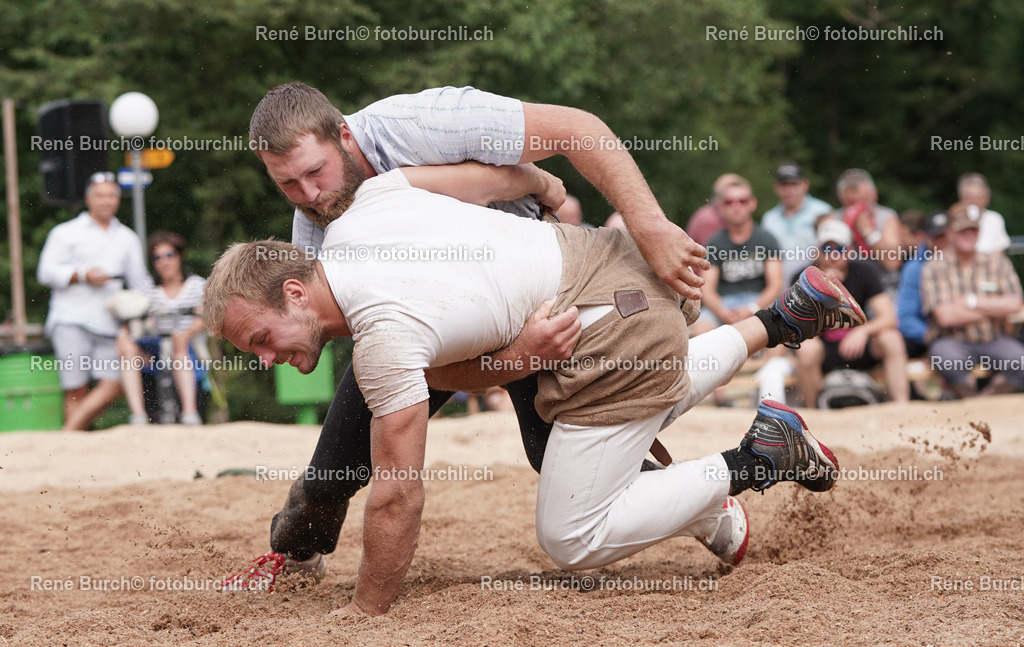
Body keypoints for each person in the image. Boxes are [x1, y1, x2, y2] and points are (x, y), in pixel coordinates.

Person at [204, 164, 867, 614]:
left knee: (571, 535)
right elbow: (489, 177)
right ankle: (785, 317)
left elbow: (397, 494)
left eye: (260, 339)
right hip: (616, 273)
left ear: (294, 292)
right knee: (636, 394)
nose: (264, 359)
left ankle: (760, 456)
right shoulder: (365, 206)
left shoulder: (380, 335)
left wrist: (365, 612)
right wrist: (546, 183)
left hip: (605, 326)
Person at [235, 82, 710, 586]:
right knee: (332, 471)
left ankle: (707, 503)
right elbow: (387, 352)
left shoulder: (423, 125)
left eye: (315, 171)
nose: (309, 195)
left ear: (345, 135)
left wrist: (649, 227)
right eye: (288, 184)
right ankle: (293, 555)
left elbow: (577, 130)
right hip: (429, 330)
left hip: (538, 303)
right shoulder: (314, 233)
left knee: (556, 454)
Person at [36, 172, 151, 430]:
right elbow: (45, 272)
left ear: (118, 199)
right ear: (88, 199)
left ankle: (67, 435)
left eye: (111, 195)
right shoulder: (65, 233)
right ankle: (76, 447)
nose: (106, 201)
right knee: (75, 387)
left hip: (109, 324)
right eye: (100, 195)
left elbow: (140, 284)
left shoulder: (127, 238)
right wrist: (81, 275)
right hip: (70, 318)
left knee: (114, 384)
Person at [793, 220, 910, 407]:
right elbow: (796, 323)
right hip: (824, 349)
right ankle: (813, 412)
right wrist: (824, 287)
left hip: (859, 346)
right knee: (807, 349)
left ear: (849, 250)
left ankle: (900, 407)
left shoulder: (864, 272)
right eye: (826, 249)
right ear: (817, 251)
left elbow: (889, 317)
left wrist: (863, 331)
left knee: (892, 339)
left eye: (838, 249)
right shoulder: (803, 276)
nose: (832, 256)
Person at [920, 202, 1024, 397]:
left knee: (1021, 361)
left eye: (974, 230)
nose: (969, 235)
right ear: (949, 233)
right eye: (962, 230)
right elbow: (944, 317)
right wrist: (995, 308)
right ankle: (969, 401)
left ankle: (984, 400)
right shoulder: (934, 267)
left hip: (995, 339)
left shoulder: (998, 262)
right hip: (952, 341)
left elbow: (1015, 303)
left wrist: (971, 302)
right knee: (947, 361)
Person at [116, 232, 207, 425]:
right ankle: (138, 415)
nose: (164, 262)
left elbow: (204, 319)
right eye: (157, 258)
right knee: (128, 352)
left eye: (169, 255)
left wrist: (185, 334)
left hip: (186, 349)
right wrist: (123, 336)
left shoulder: (197, 285)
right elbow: (128, 318)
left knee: (178, 346)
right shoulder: (146, 288)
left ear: (179, 256)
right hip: (154, 350)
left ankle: (190, 413)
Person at [692, 176, 783, 336]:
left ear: (752, 203)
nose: (736, 206)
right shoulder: (714, 243)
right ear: (720, 207)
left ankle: (772, 362)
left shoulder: (767, 238)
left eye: (742, 201)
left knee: (780, 327)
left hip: (759, 303)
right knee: (701, 330)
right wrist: (722, 312)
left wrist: (753, 309)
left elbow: (775, 285)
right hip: (724, 305)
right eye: (729, 202)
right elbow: (706, 288)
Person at [760, 162, 832, 284]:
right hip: (779, 290)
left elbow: (834, 252)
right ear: (776, 187)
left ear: (805, 184)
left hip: (815, 286)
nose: (789, 190)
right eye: (784, 185)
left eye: (794, 184)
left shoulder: (823, 211)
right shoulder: (768, 219)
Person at [831, 168, 902, 280]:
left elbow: (892, 263)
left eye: (863, 201)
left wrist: (869, 232)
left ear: (874, 195)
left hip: (883, 285)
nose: (857, 209)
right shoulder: (834, 219)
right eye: (851, 203)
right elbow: (826, 262)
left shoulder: (887, 217)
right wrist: (844, 231)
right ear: (842, 199)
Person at [897, 211, 948, 359]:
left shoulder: (968, 264)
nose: (942, 242)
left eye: (944, 236)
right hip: (927, 336)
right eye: (936, 237)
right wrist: (933, 336)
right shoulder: (914, 269)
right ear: (925, 238)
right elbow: (905, 318)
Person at [956, 173, 1010, 255]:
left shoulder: (995, 219)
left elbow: (1000, 251)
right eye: (968, 197)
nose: (973, 201)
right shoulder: (954, 219)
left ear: (987, 199)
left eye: (977, 198)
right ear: (961, 199)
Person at [685, 173, 742, 246]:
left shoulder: (713, 215)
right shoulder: (708, 220)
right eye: (729, 201)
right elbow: (714, 252)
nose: (736, 207)